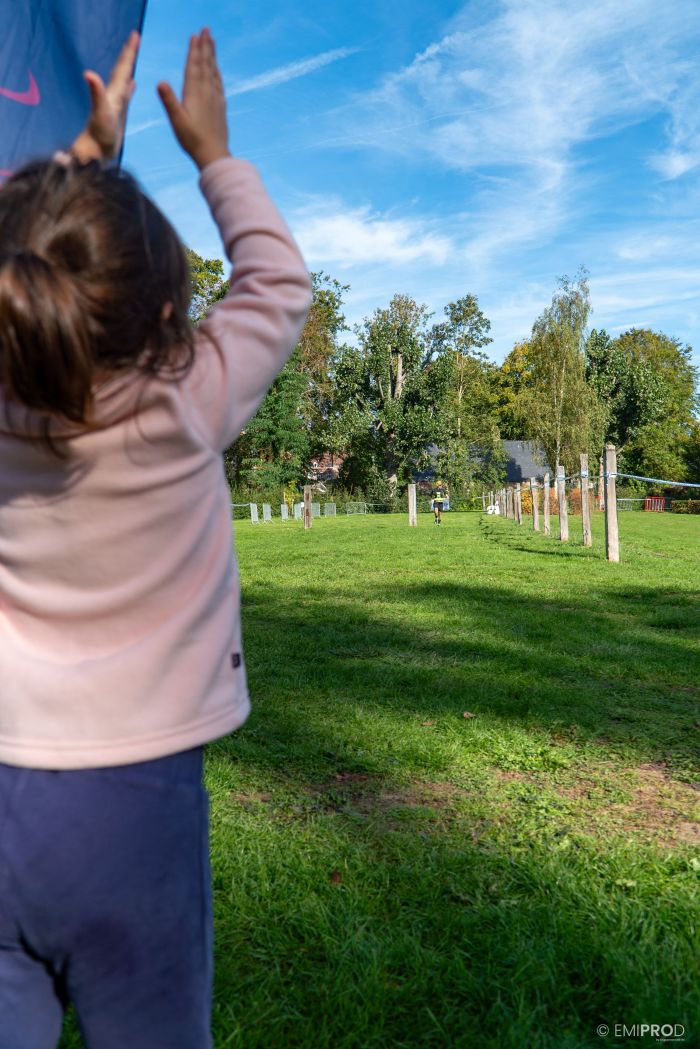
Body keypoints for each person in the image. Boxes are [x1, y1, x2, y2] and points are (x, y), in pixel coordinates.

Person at [0, 28, 312, 1049]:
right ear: (169, 306)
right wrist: (214, 156)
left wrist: (78, 158)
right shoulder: (188, 401)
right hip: (139, 807)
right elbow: (278, 283)